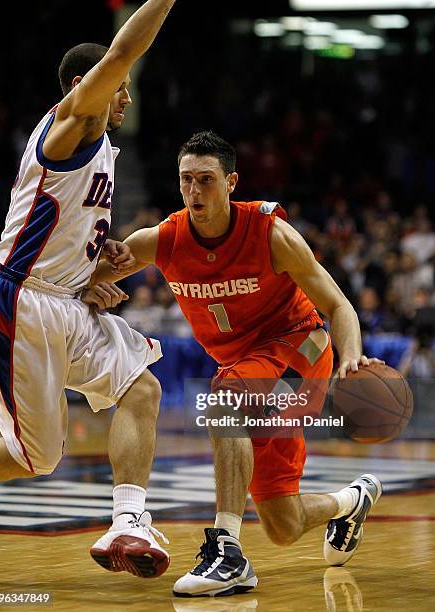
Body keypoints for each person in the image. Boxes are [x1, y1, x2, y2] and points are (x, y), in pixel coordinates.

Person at [86, 131, 384, 597]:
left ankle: (227, 551)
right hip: (252, 370)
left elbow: (339, 305)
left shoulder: (272, 235)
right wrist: (92, 285)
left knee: (225, 399)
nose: (194, 190)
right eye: (186, 180)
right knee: (282, 523)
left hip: (300, 349)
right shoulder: (165, 239)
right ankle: (353, 499)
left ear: (231, 183)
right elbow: (85, 277)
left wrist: (351, 357)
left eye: (206, 179)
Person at [0, 0, 178, 579]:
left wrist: (94, 271)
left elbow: (58, 229)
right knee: (38, 458)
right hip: (21, 301)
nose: (127, 98)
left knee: (141, 387)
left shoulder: (98, 149)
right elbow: (124, 52)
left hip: (64, 302)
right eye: (120, 89)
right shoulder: (74, 122)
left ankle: (127, 521)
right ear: (86, 84)